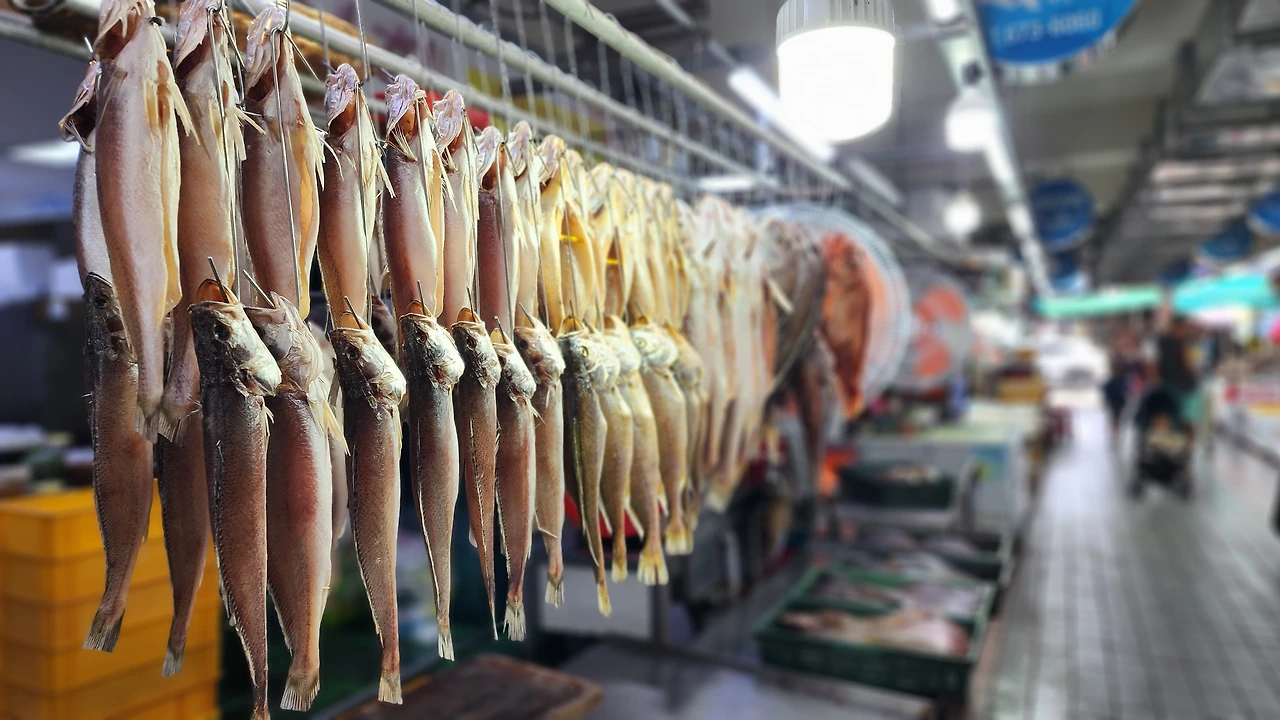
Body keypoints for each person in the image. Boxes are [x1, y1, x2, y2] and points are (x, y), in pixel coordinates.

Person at [1102, 354, 1129, 446]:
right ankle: (1116, 434)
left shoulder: (1113, 381)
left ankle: (1115, 434)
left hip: (1115, 401)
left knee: (1115, 418)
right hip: (1119, 401)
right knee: (1117, 418)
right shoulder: (1121, 380)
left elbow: (1106, 391)